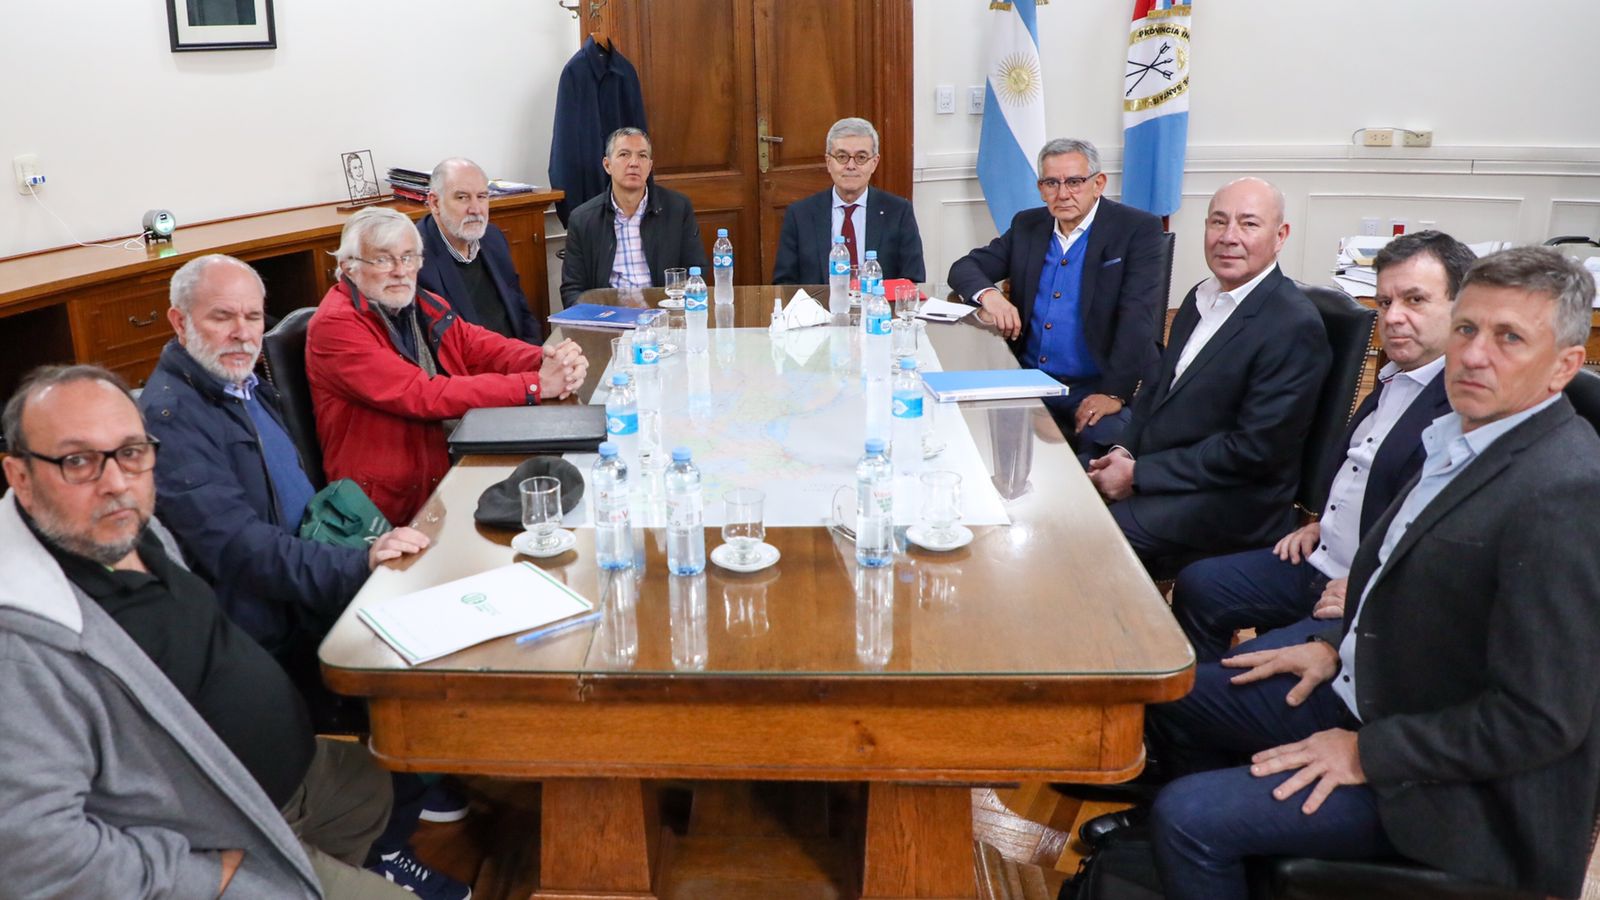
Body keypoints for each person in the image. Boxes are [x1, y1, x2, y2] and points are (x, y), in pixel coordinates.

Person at [1145, 247, 1600, 900]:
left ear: (1564, 366)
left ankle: (1214, 842)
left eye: (1510, 339)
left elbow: (1541, 720)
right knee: (1174, 701)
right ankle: (1239, 860)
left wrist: (1366, 754)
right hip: (1369, 690)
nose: (1474, 355)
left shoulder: (1565, 492)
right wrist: (1330, 648)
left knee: (1188, 817)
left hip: (1454, 790)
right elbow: (1411, 588)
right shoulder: (1460, 437)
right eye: (1468, 329)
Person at [0, 365, 469, 898]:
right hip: (212, 840)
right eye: (77, 461)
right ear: (19, 476)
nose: (115, 483)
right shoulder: (21, 640)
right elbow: (33, 855)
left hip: (283, 781)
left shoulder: (131, 530)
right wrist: (201, 878)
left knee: (387, 775)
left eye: (131, 452)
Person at [1168, 231, 1472, 661]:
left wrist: (1372, 586)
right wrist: (1325, 524)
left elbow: (1442, 536)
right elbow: (1366, 474)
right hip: (1320, 555)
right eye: (1385, 303)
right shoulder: (1396, 377)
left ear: (1461, 308)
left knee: (1230, 682)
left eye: (1415, 300)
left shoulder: (1463, 403)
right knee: (1200, 585)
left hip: (1362, 590)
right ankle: (1205, 697)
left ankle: (1209, 705)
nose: (1394, 317)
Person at [141, 254, 429, 685]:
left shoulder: (241, 383)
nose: (242, 333)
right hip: (270, 636)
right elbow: (241, 549)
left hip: (310, 583)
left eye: (253, 316)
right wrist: (356, 566)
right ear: (179, 322)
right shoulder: (172, 420)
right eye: (222, 317)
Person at [1086, 177, 1330, 566]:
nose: (1228, 236)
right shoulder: (1201, 295)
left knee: (1093, 537)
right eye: (1218, 222)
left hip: (1235, 500)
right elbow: (1155, 391)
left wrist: (1138, 474)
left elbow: (1254, 451)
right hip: (1172, 472)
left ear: (1280, 236)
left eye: (1248, 224)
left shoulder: (1293, 325)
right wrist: (1123, 451)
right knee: (1072, 497)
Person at [308, 207, 588, 526]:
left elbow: (475, 344)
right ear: (349, 267)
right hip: (386, 505)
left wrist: (545, 357)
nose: (401, 271)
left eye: (410, 257)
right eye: (384, 260)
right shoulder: (336, 326)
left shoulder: (415, 301)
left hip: (443, 464)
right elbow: (421, 394)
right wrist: (536, 385)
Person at [948, 138, 1165, 455]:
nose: (1063, 193)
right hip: (1027, 378)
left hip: (1098, 382)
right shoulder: (1028, 224)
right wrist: (990, 296)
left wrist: (1114, 394)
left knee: (1103, 450)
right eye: (1052, 183)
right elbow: (965, 267)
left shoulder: (1136, 229)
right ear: (1040, 187)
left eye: (1075, 182)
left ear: (1098, 183)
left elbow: (1138, 318)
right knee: (975, 439)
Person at [559, 127, 710, 307]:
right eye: (624, 154)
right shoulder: (583, 219)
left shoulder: (677, 208)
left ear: (650, 166)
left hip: (664, 314)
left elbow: (696, 273)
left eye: (642, 156)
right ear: (607, 165)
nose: (634, 163)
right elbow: (572, 290)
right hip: (609, 318)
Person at [772, 116, 925, 285]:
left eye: (861, 157)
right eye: (842, 156)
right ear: (828, 162)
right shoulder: (800, 215)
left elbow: (912, 279)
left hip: (878, 308)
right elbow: (784, 283)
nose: (851, 166)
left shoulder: (899, 212)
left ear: (874, 163)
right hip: (820, 308)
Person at [416, 158, 543, 343]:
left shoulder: (493, 238)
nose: (475, 209)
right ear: (435, 203)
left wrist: (534, 357)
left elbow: (522, 313)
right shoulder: (415, 258)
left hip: (516, 359)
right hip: (469, 369)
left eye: (482, 196)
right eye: (462, 197)